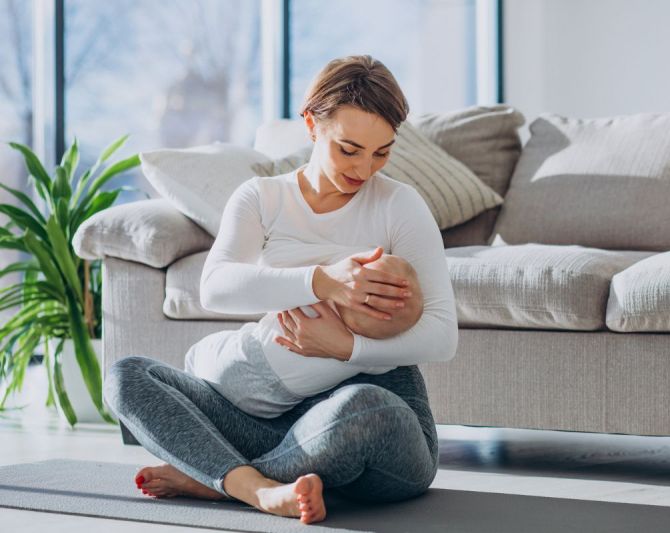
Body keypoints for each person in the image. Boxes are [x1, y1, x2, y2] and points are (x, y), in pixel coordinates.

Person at [102, 54, 458, 525]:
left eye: (381, 152)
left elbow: (442, 336)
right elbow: (215, 287)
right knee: (125, 376)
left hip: (370, 426)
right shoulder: (263, 197)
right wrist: (322, 281)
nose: (365, 169)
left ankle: (221, 479)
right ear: (311, 125)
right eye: (349, 149)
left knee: (365, 410)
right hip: (270, 421)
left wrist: (346, 347)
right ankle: (262, 488)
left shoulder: (400, 205)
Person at [184, 247, 425, 419]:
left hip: (242, 358)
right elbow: (393, 359)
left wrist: (326, 280)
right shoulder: (372, 361)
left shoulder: (315, 303)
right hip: (269, 407)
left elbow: (275, 288)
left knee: (195, 356)